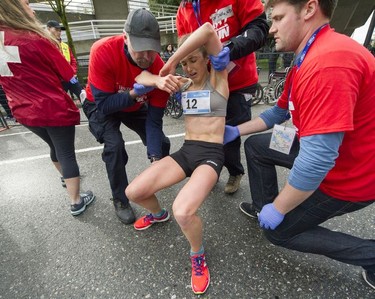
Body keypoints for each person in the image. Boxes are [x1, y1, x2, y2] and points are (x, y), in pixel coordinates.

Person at [224, 0, 375, 289]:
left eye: (279, 18)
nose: (271, 29)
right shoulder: (307, 56)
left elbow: (318, 160)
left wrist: (280, 208)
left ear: (309, 9)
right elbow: (278, 113)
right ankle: (261, 208)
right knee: (256, 147)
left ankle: (371, 256)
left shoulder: (328, 62)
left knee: (280, 232)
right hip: (329, 149)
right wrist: (235, 130)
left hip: (351, 175)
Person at [126, 22, 229, 294]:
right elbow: (140, 78)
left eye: (193, 59)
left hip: (210, 155)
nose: (188, 67)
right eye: (184, 63)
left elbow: (207, 29)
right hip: (186, 151)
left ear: (207, 60)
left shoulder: (218, 78)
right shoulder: (183, 84)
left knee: (183, 211)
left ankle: (197, 254)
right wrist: (160, 79)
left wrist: (170, 61)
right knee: (133, 191)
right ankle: (157, 214)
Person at [82, 8, 180, 225]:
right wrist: (135, 92)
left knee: (161, 144)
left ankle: (159, 174)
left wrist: (155, 159)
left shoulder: (158, 70)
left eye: (151, 50)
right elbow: (105, 105)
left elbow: (154, 121)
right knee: (115, 147)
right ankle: (121, 199)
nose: (146, 57)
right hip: (102, 104)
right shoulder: (103, 50)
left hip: (134, 105)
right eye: (140, 49)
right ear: (125, 38)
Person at [0, 0, 95, 215]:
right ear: (14, 7)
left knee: (53, 147)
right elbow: (66, 72)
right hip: (52, 108)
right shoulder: (34, 38)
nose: (31, 9)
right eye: (26, 4)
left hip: (22, 110)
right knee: (66, 152)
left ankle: (66, 179)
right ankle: (76, 201)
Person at [176, 0, 269, 194]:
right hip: (205, 86)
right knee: (205, 133)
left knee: (228, 137)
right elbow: (184, 45)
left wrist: (231, 48)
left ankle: (235, 171)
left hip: (238, 82)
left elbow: (259, 28)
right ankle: (210, 170)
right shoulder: (184, 9)